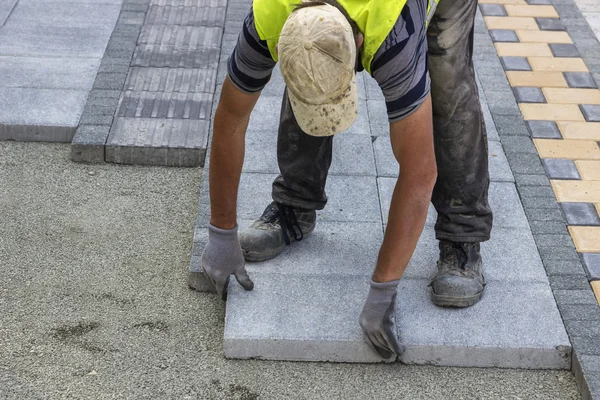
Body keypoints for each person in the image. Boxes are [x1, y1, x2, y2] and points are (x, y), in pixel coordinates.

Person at [197, 0, 493, 361]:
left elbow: (419, 171)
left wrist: (382, 291)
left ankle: (461, 236)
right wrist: (221, 231)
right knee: (309, 67)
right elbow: (230, 118)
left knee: (447, 76)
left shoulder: (392, 33)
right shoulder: (268, 17)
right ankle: (295, 205)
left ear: (358, 40)